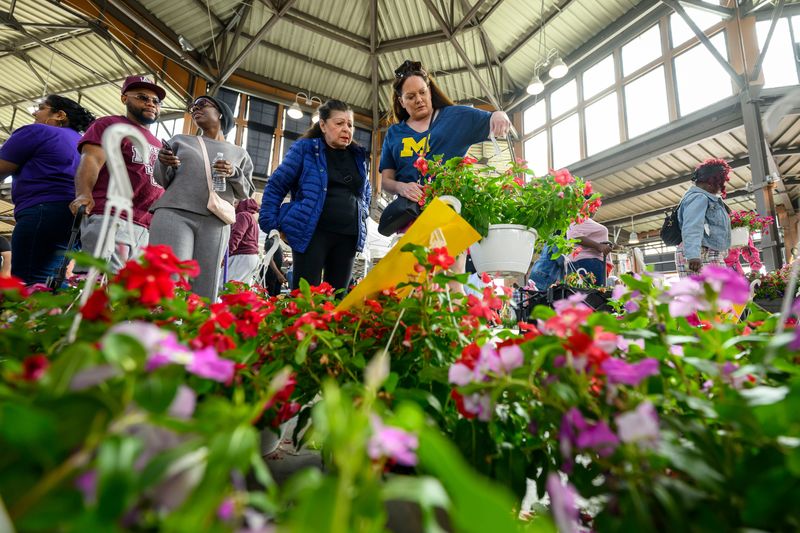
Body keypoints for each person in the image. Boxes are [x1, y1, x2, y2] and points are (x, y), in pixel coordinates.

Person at [259, 100, 371, 293]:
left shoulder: (357, 156)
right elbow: (277, 184)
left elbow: (365, 192)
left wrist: (363, 214)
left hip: (348, 237)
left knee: (337, 298)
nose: (346, 129)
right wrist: (271, 223)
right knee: (305, 296)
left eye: (350, 125)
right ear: (323, 125)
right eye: (339, 123)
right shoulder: (306, 149)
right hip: (311, 235)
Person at [150, 95, 254, 301]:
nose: (195, 109)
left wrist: (234, 172)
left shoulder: (240, 153)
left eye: (203, 105)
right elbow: (163, 180)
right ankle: (161, 329)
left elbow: (246, 193)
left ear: (221, 113)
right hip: (174, 213)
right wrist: (163, 162)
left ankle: (197, 331)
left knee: (206, 285)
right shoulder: (180, 140)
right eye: (193, 107)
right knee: (170, 279)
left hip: (215, 220)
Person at [379, 59, 511, 203]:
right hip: (409, 213)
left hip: (448, 206)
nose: (419, 99)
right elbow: (386, 180)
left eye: (422, 92)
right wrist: (401, 187)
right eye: (410, 97)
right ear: (401, 101)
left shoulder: (456, 117)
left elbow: (493, 118)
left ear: (429, 91)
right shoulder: (394, 133)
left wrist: (499, 114)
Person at [69, 75, 166, 273]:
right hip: (110, 215)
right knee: (97, 283)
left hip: (145, 225)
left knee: (129, 292)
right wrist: (83, 194)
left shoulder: (159, 143)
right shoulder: (109, 124)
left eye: (155, 101)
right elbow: (92, 159)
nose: (150, 103)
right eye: (142, 97)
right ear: (124, 99)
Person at [0, 95, 94, 284]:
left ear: (59, 115)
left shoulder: (38, 131)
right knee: (54, 283)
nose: (35, 112)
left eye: (41, 108)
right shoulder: (86, 145)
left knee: (31, 283)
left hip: (42, 212)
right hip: (77, 218)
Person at [676, 158, 732, 278]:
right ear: (711, 182)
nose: (721, 187)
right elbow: (692, 226)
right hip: (699, 254)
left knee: (711, 294)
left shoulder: (703, 197)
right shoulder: (699, 198)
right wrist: (693, 256)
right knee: (714, 293)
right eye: (721, 183)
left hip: (702, 251)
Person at [222, 197, 260, 287]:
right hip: (251, 257)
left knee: (226, 286)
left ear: (242, 204)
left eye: (236, 203)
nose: (233, 205)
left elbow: (236, 235)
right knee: (240, 288)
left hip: (242, 255)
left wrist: (226, 255)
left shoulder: (242, 215)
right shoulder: (251, 218)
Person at [566, 217, 612, 286]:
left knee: (591, 294)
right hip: (588, 263)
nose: (596, 208)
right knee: (592, 295)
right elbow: (573, 235)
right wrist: (598, 246)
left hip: (590, 263)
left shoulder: (585, 220)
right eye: (595, 206)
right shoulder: (578, 217)